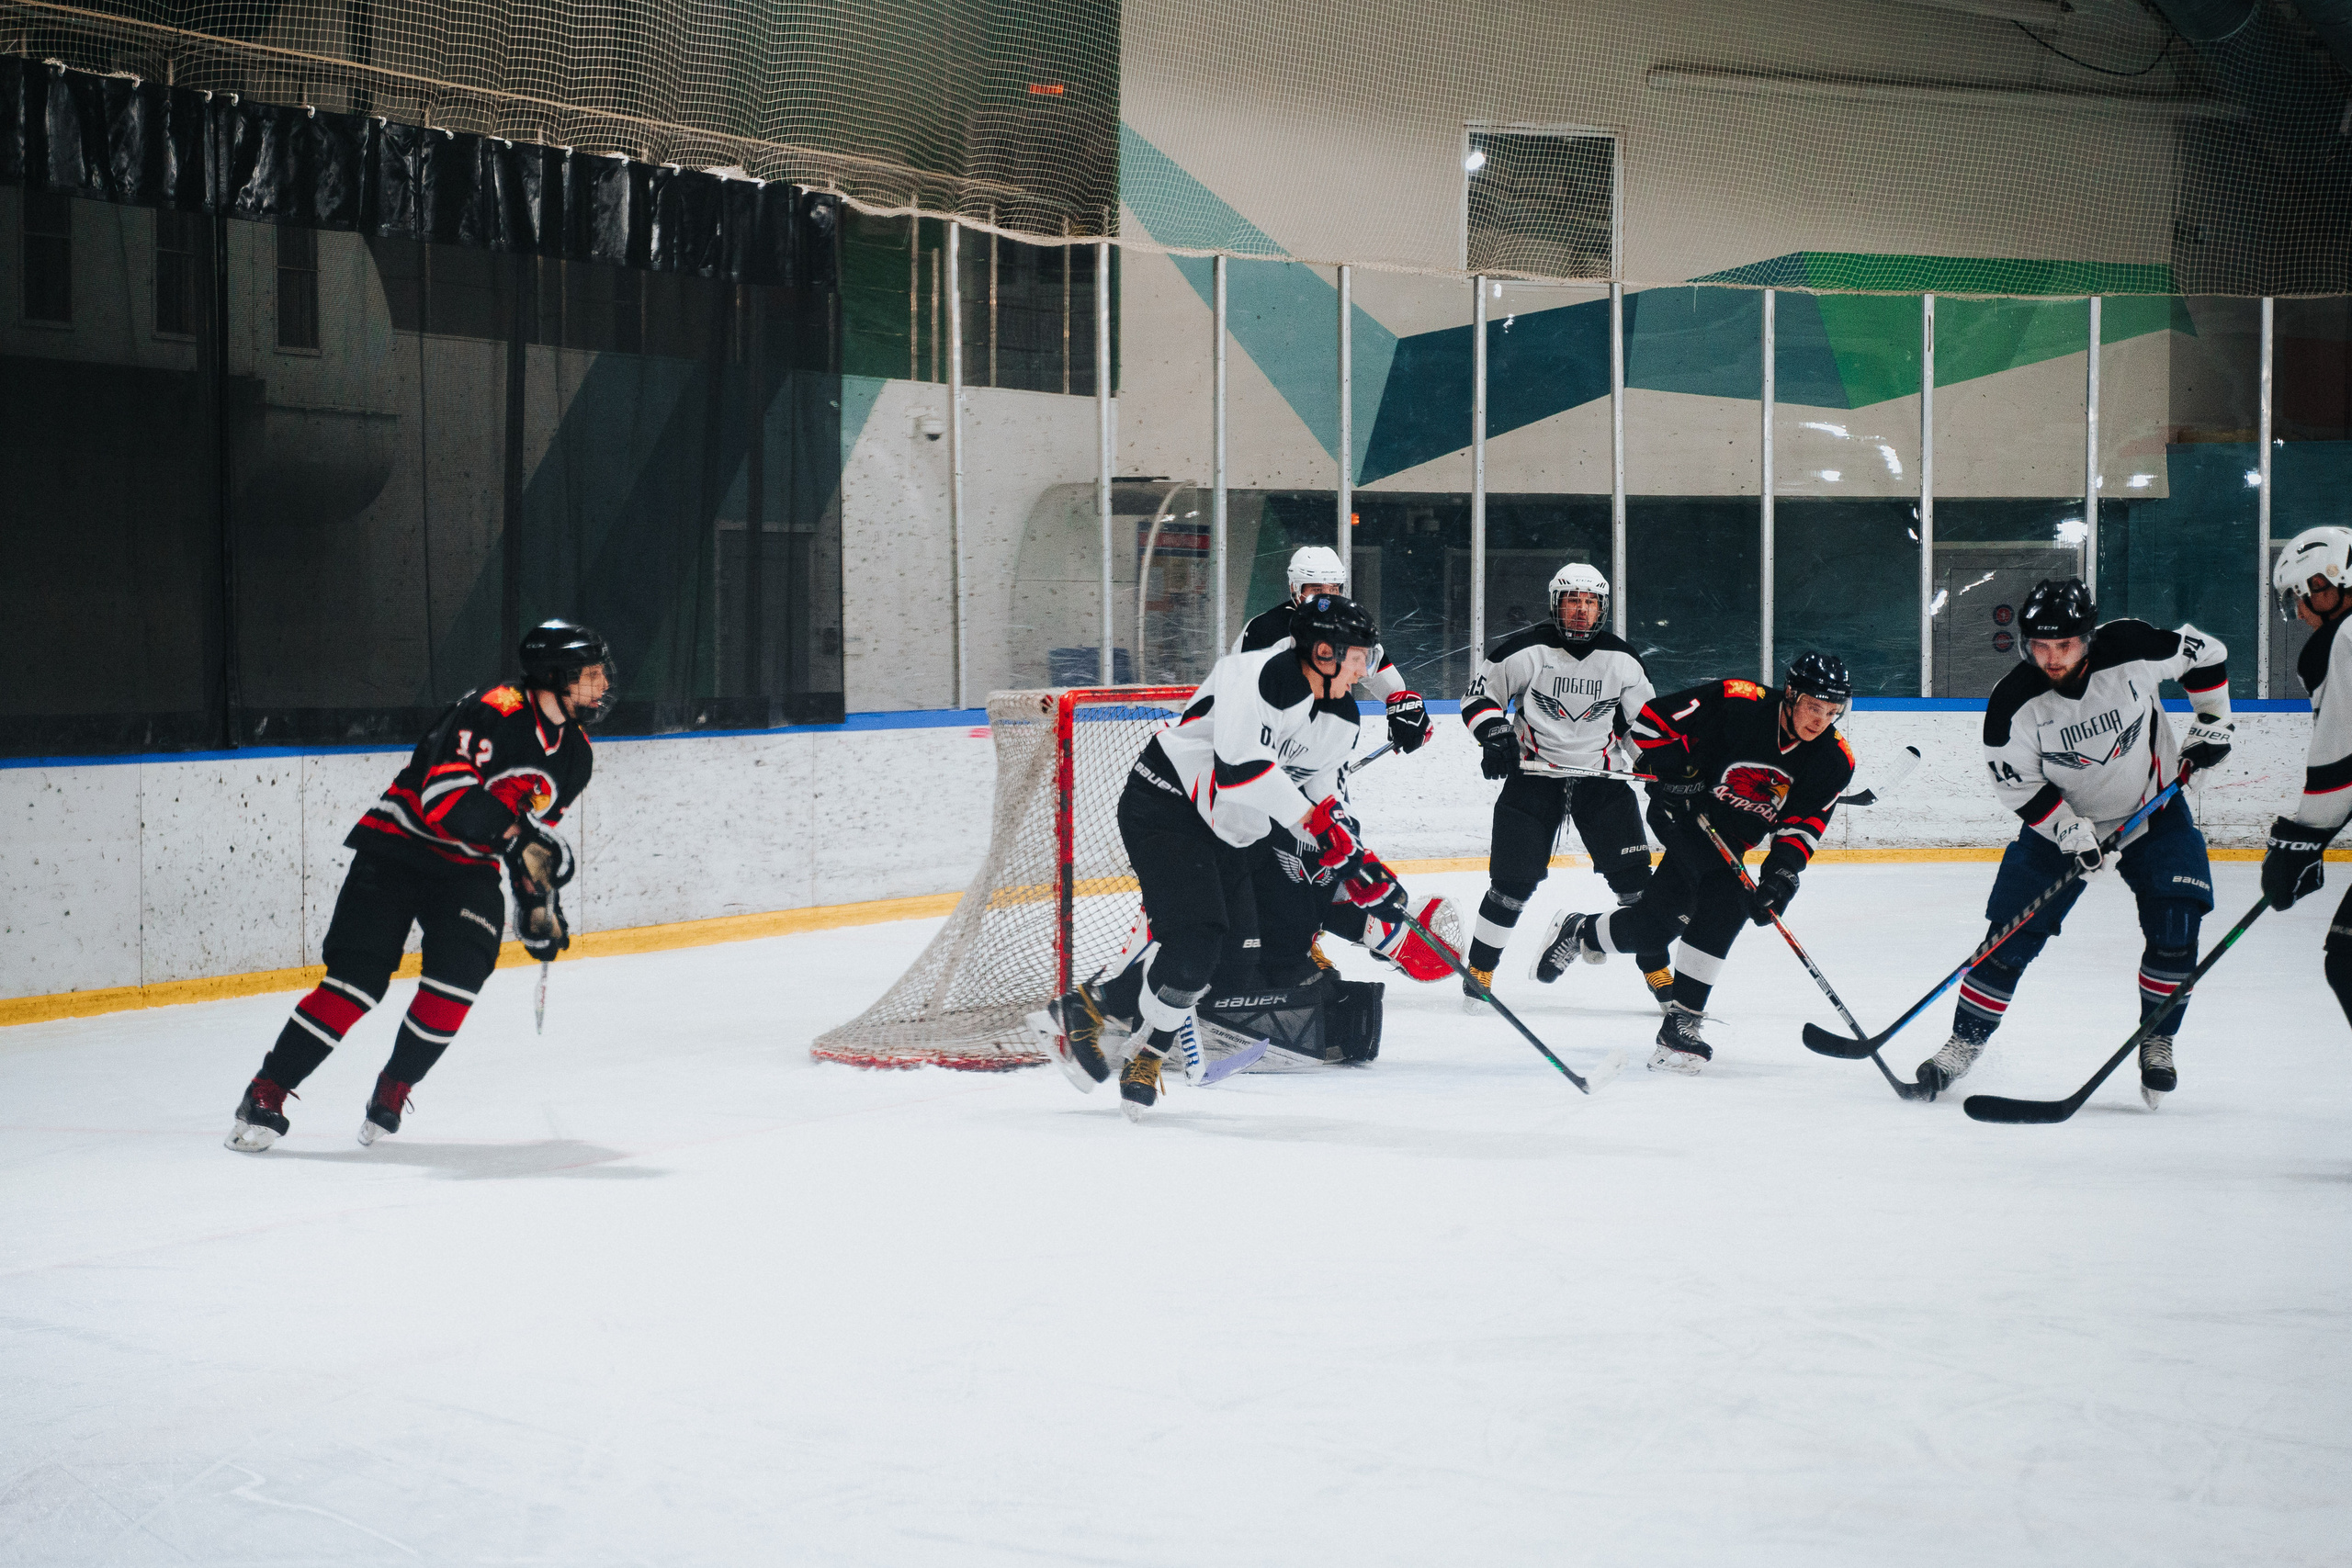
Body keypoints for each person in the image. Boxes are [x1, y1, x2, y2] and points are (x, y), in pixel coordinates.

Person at [225, 621, 611, 1151]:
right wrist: (518, 835)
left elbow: (532, 845)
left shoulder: (576, 757)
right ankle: (266, 1091)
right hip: (399, 846)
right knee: (357, 982)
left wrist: (538, 905)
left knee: (459, 980)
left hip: (468, 870)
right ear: (555, 675)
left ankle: (394, 1086)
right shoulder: (493, 710)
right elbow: (443, 795)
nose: (602, 686)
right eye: (590, 675)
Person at [1046, 592, 1406, 1119]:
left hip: (1234, 831)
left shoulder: (1342, 718)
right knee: (1195, 946)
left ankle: (1089, 1008)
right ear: (1324, 653)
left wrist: (1357, 862)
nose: (1366, 670)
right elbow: (1243, 771)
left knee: (1229, 962)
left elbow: (1321, 796)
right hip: (1166, 809)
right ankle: (1148, 1053)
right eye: (1358, 658)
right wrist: (1319, 829)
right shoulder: (1250, 676)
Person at [1914, 578, 2233, 1106]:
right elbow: (2016, 784)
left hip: (2152, 809)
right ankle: (1962, 1045)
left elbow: (2207, 654)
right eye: (2040, 646)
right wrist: (2065, 829)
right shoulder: (2014, 703)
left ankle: (2158, 1038)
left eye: (2063, 645)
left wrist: (2213, 722)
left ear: (2087, 638)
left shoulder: (2131, 647)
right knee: (2007, 938)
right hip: (2061, 826)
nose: (2052, 657)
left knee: (2177, 923)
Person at [1531, 652, 1857, 1074]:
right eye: (1815, 706)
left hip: (1734, 838)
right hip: (1682, 813)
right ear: (1792, 694)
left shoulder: (1834, 759)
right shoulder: (1738, 701)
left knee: (1657, 925)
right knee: (1727, 900)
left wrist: (1782, 876)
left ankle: (1582, 932)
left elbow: (1803, 823)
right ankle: (1680, 1025)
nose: (1821, 720)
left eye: (1833, 711)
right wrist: (1678, 771)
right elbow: (1650, 721)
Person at [1459, 561, 1669, 1011]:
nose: (1581, 610)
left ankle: (1660, 975)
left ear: (1602, 608)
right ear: (1556, 604)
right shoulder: (1525, 650)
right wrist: (1494, 735)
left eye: (1590, 602)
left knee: (1636, 887)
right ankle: (1479, 971)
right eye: (1572, 600)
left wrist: (1654, 765)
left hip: (1602, 781)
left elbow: (1641, 725)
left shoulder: (1623, 659)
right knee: (1511, 885)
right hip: (1534, 778)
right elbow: (1479, 696)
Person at [2260, 527, 2352, 1025]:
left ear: (2332, 582)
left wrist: (2300, 842)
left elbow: (2338, 759)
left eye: (2303, 595)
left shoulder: (2342, 641)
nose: (2299, 611)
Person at [1236, 546, 1432, 758]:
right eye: (1317, 590)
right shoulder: (1265, 630)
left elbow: (1388, 683)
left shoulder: (1350, 626)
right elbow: (1242, 700)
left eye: (1333, 589)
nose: (1326, 600)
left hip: (1325, 744)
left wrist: (1405, 709)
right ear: (1295, 587)